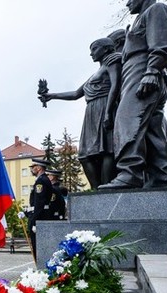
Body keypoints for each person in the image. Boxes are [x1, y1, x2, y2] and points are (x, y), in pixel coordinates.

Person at [100, 0, 167, 189]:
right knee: (153, 129)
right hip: (134, 72)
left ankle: (130, 172)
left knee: (127, 120)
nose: (127, 3)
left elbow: (161, 44)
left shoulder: (156, 9)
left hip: (142, 70)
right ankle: (164, 177)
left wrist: (152, 71)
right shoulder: (137, 21)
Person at [40, 38, 121, 189]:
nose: (91, 53)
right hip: (91, 111)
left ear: (106, 49)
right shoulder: (96, 72)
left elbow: (115, 86)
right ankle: (97, 189)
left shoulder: (113, 61)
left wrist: (109, 111)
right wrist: (52, 96)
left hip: (104, 106)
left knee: (106, 150)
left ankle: (106, 189)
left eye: (95, 48)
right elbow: (76, 93)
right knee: (85, 155)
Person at [27, 158, 54, 259]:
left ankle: (40, 267)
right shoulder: (42, 179)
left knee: (37, 245)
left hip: (40, 216)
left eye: (33, 167)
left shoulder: (41, 181)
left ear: (38, 168)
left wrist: (34, 221)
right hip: (42, 215)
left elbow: (40, 203)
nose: (32, 169)